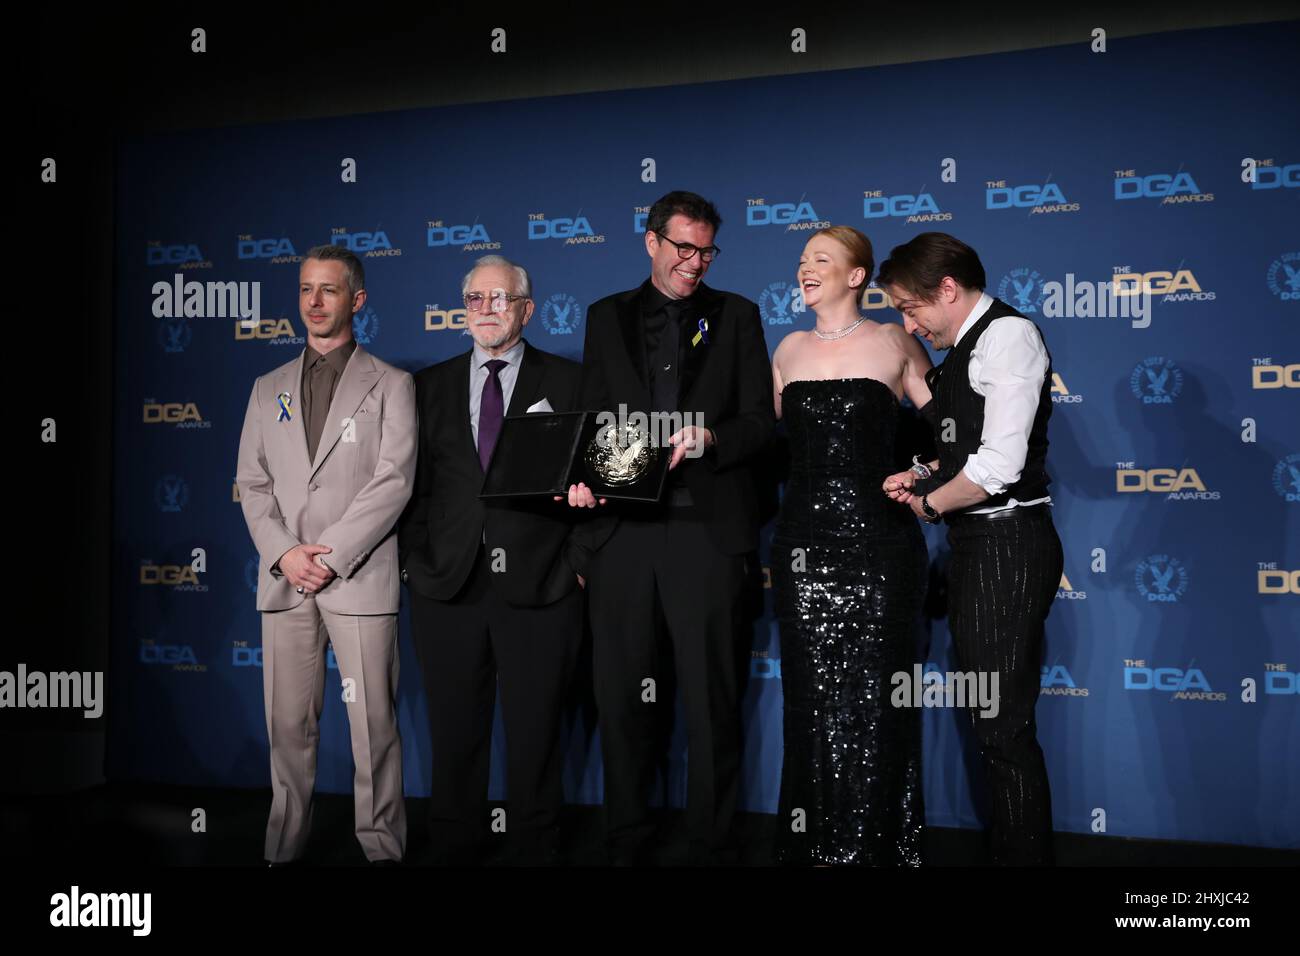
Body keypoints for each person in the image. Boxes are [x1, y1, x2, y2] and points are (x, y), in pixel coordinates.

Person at [565, 190, 775, 865]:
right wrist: (582, 480)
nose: (695, 262)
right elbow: (592, 416)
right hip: (622, 535)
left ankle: (710, 839)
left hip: (706, 536)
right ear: (650, 240)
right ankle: (627, 833)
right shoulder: (605, 318)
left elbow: (760, 425)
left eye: (706, 250)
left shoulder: (738, 316)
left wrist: (711, 436)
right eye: (683, 247)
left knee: (711, 699)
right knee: (623, 696)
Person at [878, 231, 1062, 866]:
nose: (908, 323)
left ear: (947, 289)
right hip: (981, 545)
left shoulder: (1008, 336)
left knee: (1003, 728)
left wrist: (930, 504)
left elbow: (999, 467)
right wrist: (925, 471)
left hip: (1008, 543)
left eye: (910, 307)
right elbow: (968, 449)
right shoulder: (960, 350)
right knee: (993, 725)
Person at [398, 255, 584, 865]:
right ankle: (455, 843)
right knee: (455, 730)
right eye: (475, 299)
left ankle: (536, 844)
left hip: (541, 582)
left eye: (499, 299)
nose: (485, 310)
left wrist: (576, 563)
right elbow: (412, 486)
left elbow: (595, 482)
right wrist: (415, 561)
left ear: (526, 310)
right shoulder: (427, 387)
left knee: (535, 730)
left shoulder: (570, 381)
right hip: (446, 584)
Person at [236, 244, 416, 865]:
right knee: (288, 729)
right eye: (307, 289)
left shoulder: (392, 384)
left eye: (329, 290)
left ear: (357, 300)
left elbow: (393, 481)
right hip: (286, 583)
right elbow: (252, 486)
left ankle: (382, 849)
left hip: (358, 580)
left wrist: (330, 556)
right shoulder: (266, 389)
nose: (314, 302)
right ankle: (282, 848)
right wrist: (287, 555)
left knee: (374, 732)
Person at [768, 226, 933, 865]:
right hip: (803, 550)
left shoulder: (895, 341)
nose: (806, 268)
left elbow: (949, 430)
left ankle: (877, 851)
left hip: (882, 551)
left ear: (858, 275)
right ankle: (814, 851)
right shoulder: (785, 350)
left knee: (878, 703)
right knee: (810, 703)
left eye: (822, 259)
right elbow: (765, 448)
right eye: (803, 259)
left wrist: (920, 474)